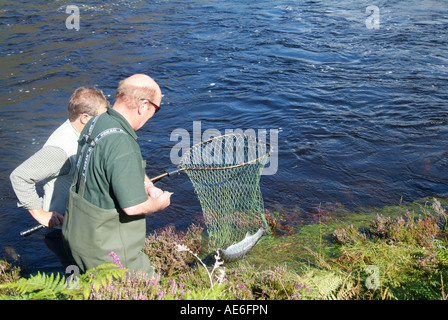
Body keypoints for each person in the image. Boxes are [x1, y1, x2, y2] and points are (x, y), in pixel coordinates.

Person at [62, 74, 172, 277]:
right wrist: (160, 203)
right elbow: (133, 208)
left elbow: (114, 166)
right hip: (106, 251)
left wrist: (148, 186)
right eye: (155, 109)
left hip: (76, 236)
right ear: (143, 105)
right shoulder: (123, 143)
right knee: (152, 290)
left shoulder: (97, 122)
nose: (152, 115)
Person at [10, 87, 109, 229]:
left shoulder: (83, 132)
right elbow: (20, 177)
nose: (107, 121)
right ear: (85, 118)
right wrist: (40, 214)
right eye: (103, 117)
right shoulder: (60, 151)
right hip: (64, 229)